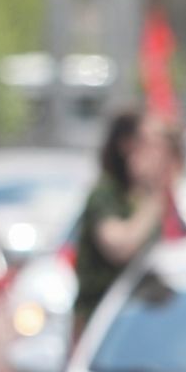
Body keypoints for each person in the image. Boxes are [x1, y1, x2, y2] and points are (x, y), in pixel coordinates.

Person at [71, 108, 175, 345]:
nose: (159, 152)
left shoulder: (149, 198)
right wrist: (153, 197)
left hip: (142, 321)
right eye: (151, 142)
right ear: (127, 145)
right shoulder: (106, 195)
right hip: (100, 327)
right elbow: (119, 246)